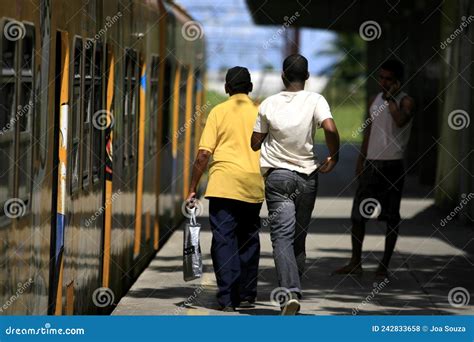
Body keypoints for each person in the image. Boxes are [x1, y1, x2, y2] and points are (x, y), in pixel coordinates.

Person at [251, 54, 340, 315]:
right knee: (298, 240)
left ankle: (289, 294)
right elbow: (331, 128)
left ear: (282, 76)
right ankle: (292, 295)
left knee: (281, 239)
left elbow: (255, 143)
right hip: (307, 179)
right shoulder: (316, 100)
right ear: (308, 77)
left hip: (278, 179)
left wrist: (264, 136)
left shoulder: (268, 104)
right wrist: (334, 155)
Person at [186, 66, 264, 311]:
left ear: (226, 88)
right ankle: (247, 294)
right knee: (249, 238)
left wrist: (192, 188)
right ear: (250, 88)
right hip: (254, 184)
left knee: (223, 240)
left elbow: (202, 156)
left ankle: (228, 299)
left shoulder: (218, 112)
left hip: (223, 185)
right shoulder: (261, 111)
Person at [335, 59, 415, 277]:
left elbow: (399, 121)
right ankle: (355, 262)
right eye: (381, 78)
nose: (383, 82)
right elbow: (369, 133)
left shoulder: (406, 102)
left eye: (388, 79)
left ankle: (384, 265)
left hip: (393, 166)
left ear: (398, 81)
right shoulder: (374, 100)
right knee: (358, 216)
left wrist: (391, 99)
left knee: (390, 217)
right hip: (372, 165)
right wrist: (361, 159)